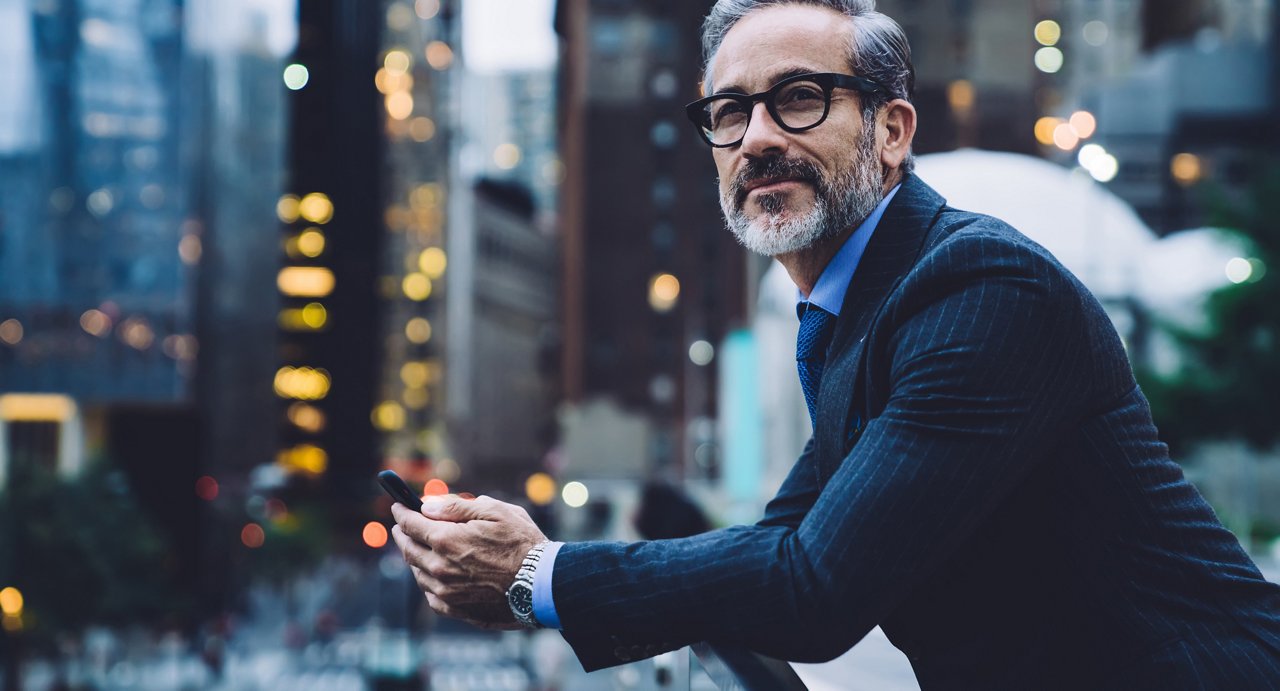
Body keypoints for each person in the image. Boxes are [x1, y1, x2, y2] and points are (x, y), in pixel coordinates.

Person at [391, 0, 1280, 686]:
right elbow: (785, 537)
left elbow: (816, 586)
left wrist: (541, 574)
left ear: (892, 131)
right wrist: (537, 572)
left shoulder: (981, 292)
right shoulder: (851, 314)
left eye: (800, 99)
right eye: (729, 112)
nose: (759, 138)